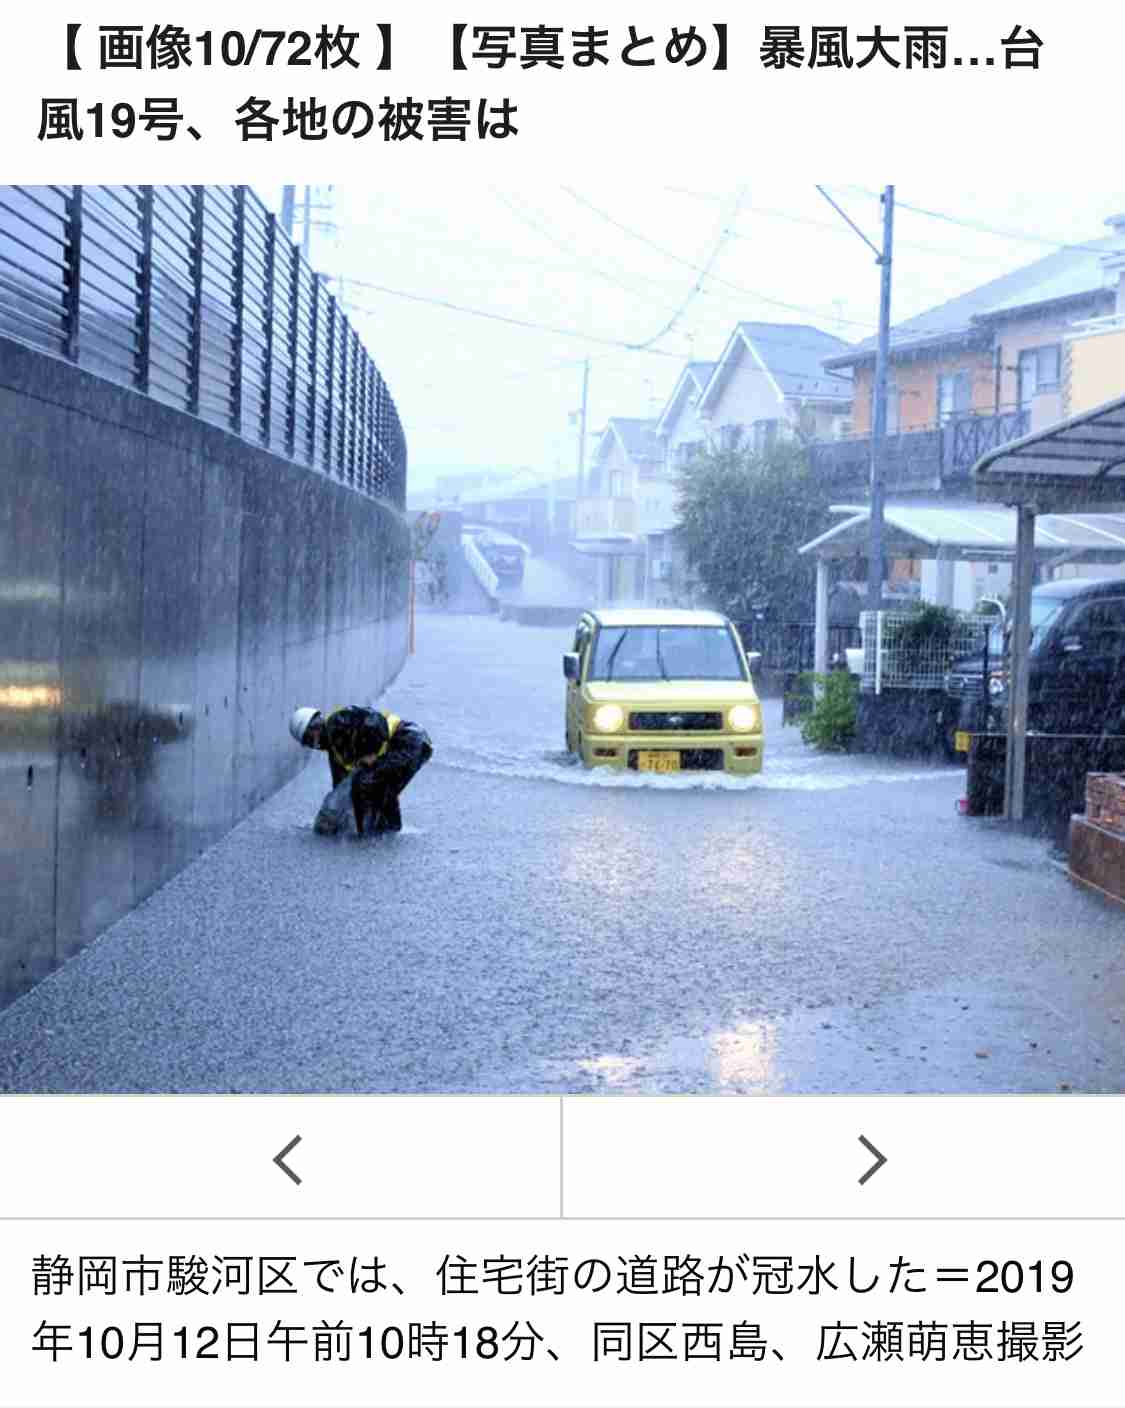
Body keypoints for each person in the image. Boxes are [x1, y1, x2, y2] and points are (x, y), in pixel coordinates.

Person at [289, 705, 433, 836]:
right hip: (415, 745)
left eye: (309, 738)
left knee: (367, 782)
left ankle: (376, 835)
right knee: (379, 789)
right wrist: (332, 820)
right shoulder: (336, 754)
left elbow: (375, 720)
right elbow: (342, 790)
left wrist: (371, 751)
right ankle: (387, 833)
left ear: (315, 726)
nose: (314, 744)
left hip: (409, 740)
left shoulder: (337, 721)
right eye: (308, 742)